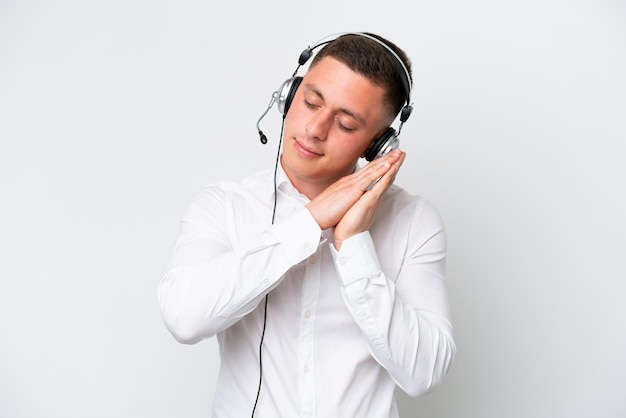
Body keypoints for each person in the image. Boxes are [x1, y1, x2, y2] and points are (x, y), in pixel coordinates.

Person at [158, 32, 455, 418]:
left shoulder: (414, 221)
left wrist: (353, 243)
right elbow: (183, 317)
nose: (315, 129)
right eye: (310, 102)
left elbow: (424, 374)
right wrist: (310, 223)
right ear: (288, 94)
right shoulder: (224, 206)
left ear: (378, 145)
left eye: (345, 124)